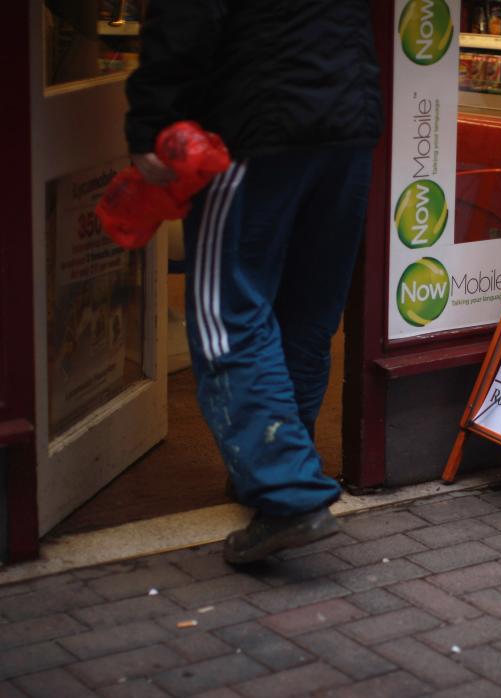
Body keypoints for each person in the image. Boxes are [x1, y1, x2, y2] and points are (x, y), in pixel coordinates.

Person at [124, 1, 382, 563]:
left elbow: (184, 19)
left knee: (228, 312)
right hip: (347, 125)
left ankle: (287, 493)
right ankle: (277, 472)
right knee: (307, 314)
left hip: (252, 128)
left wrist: (150, 122)